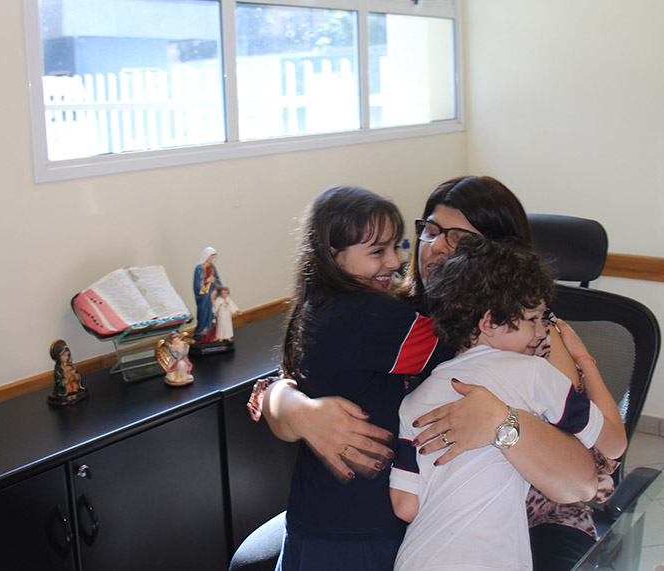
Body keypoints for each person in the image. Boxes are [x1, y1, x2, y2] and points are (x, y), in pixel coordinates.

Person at [238, 177, 602, 570]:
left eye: (460, 239)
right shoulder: (385, 310)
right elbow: (289, 379)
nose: (438, 246)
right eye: (430, 230)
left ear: (500, 259)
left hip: (513, 527)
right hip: (388, 526)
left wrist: (504, 422)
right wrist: (292, 408)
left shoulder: (534, 339)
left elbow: (586, 477)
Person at [390, 237, 626, 571]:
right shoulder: (534, 374)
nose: (541, 332)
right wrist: (583, 359)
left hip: (418, 559)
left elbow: (405, 506)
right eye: (534, 319)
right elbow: (614, 443)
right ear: (489, 323)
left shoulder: (414, 401)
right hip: (491, 560)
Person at [272, 186, 456, 570]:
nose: (396, 261)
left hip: (316, 514)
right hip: (360, 526)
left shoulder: (317, 305)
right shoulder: (368, 314)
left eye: (397, 246)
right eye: (378, 251)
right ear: (333, 256)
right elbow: (455, 344)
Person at [193, 246, 222, 342]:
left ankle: (214, 336)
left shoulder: (212, 267)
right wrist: (208, 281)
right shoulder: (199, 268)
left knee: (215, 314)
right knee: (205, 315)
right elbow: (198, 285)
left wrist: (217, 288)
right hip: (205, 297)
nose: (212, 259)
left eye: (213, 257)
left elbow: (217, 279)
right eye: (211, 257)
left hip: (213, 293)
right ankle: (203, 337)